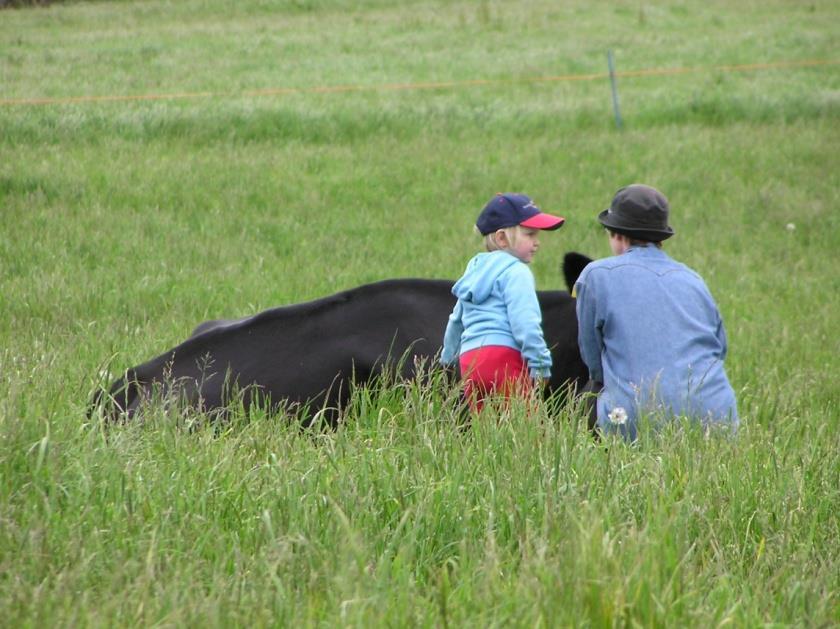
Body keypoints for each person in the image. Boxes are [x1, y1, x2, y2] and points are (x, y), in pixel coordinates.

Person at [574, 184, 739, 439]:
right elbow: (720, 348)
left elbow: (593, 361)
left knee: (590, 393)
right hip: (716, 418)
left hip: (631, 417)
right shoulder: (694, 279)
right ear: (661, 238)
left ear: (616, 235)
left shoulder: (596, 276)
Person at [441, 193, 565, 411]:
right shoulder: (517, 272)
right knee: (525, 431)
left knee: (486, 432)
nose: (537, 242)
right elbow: (525, 324)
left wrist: (448, 358)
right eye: (529, 234)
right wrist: (541, 366)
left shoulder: (474, 270)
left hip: (470, 361)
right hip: (504, 359)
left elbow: (456, 319)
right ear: (501, 238)